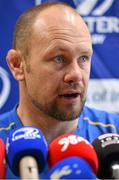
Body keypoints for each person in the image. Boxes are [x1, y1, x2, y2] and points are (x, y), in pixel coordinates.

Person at [0, 2, 119, 179]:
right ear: (17, 65)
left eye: (84, 58)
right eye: (59, 59)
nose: (76, 75)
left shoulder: (115, 135)